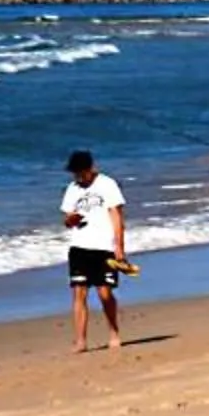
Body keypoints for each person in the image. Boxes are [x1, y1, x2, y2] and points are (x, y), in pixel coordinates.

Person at [59, 149, 127, 352]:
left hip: (104, 246)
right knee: (79, 293)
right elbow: (67, 220)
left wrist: (119, 246)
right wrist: (71, 220)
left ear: (90, 168)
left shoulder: (107, 184)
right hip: (79, 246)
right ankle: (80, 340)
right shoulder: (72, 189)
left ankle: (114, 332)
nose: (78, 177)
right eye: (75, 173)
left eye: (81, 173)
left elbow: (116, 216)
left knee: (104, 292)